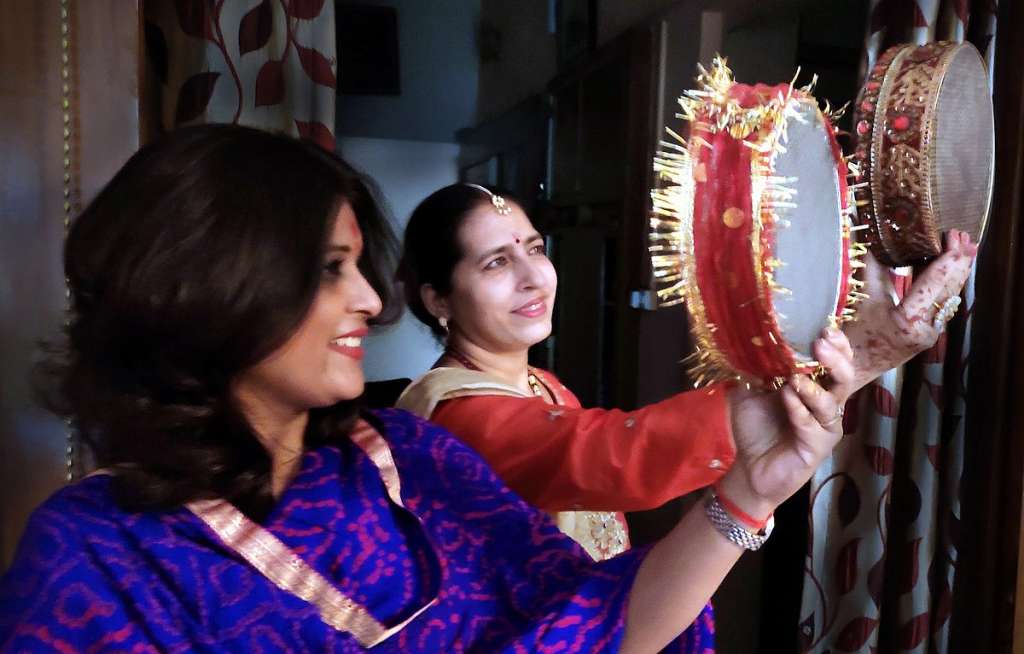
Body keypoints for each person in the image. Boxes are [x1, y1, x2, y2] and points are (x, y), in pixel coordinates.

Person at [0, 124, 854, 652]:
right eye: (329, 270)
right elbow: (607, 455)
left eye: (535, 249)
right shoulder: (94, 558)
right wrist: (743, 412)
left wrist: (748, 494)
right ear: (209, 291)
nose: (370, 302)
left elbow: (602, 621)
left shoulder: (404, 458)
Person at [394, 183, 977, 560]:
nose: (534, 277)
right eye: (497, 262)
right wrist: (866, 353)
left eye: (535, 248)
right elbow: (610, 456)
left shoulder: (540, 385)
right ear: (438, 299)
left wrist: (865, 354)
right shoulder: (452, 416)